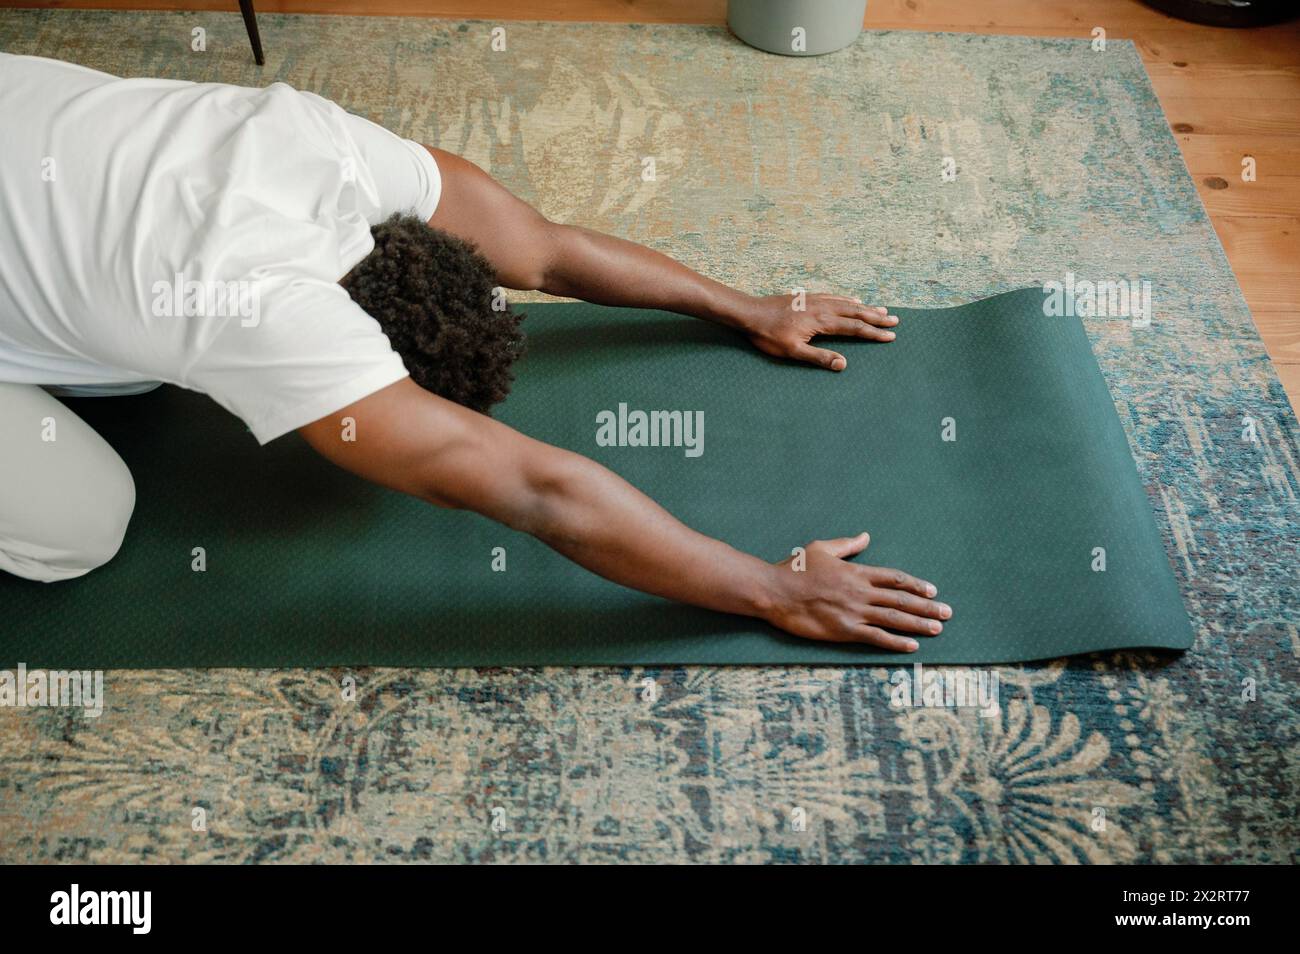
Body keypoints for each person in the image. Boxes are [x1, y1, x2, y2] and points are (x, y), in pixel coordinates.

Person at [0, 53, 951, 650]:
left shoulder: (327, 147)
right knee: (85, 523)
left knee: (128, 356)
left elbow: (545, 247)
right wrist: (773, 590)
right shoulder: (266, 315)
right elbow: (541, 492)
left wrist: (745, 307)